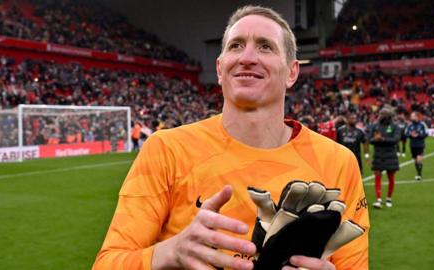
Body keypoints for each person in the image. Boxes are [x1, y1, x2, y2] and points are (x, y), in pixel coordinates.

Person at [93, 6, 369, 270]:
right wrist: (171, 252)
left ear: (292, 72)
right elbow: (106, 264)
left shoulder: (338, 162)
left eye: (265, 46)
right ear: (219, 68)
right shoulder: (166, 149)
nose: (247, 57)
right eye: (235, 45)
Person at [366, 107, 401, 209]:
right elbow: (369, 140)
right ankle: (378, 199)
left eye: (383, 114)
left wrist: (383, 139)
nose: (380, 115)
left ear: (388, 116)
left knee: (391, 178)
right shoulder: (374, 126)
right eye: (380, 113)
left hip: (391, 155)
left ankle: (389, 198)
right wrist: (375, 139)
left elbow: (396, 139)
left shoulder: (395, 127)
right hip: (378, 154)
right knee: (377, 176)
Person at [405, 112, 428, 181]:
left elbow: (426, 133)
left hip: (420, 144)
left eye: (412, 116)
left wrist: (418, 135)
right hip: (412, 145)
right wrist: (411, 135)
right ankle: (418, 173)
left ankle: (419, 175)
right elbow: (406, 134)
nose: (411, 117)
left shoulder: (422, 124)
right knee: (415, 160)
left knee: (418, 159)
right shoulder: (410, 125)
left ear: (416, 117)